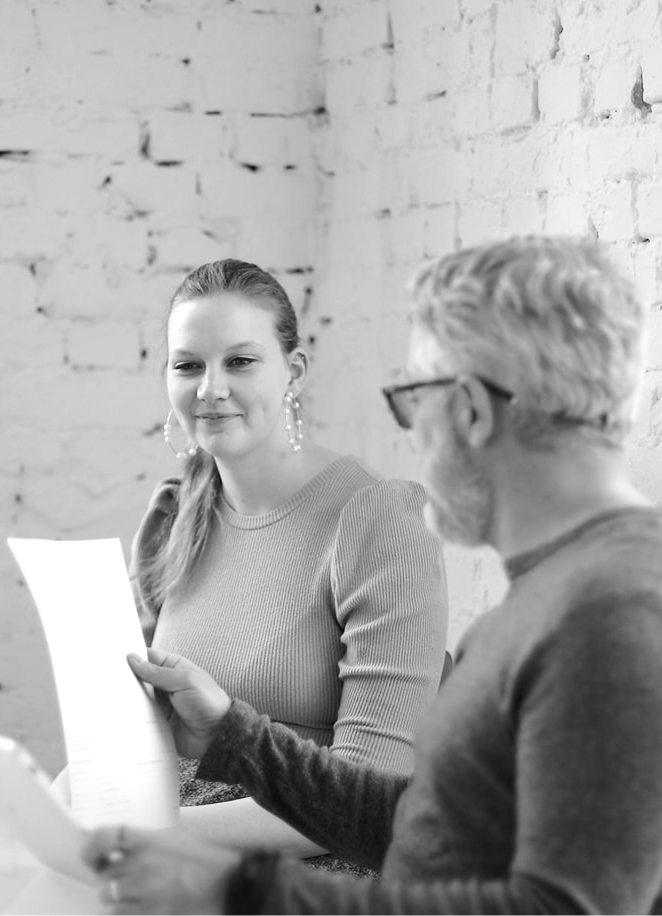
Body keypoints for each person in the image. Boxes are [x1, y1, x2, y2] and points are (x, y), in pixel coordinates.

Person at [83, 236, 662, 913]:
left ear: (465, 408)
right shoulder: (558, 597)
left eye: (412, 400)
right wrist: (236, 738)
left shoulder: (620, 612)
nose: (413, 435)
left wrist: (240, 888)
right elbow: (425, 830)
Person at [131, 259, 447, 859]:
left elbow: (372, 798)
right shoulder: (174, 514)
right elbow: (133, 726)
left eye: (240, 362)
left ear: (293, 371)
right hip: (166, 840)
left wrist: (158, 838)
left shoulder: (380, 522)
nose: (210, 389)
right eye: (188, 365)